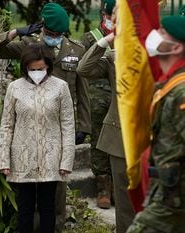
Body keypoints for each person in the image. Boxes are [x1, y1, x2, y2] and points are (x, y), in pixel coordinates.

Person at [0, 3, 89, 232]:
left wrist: (84, 125)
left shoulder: (76, 50)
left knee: (55, 196)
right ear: (43, 27)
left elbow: (82, 90)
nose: (53, 38)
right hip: (29, 132)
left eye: (58, 34)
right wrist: (15, 32)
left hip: (58, 129)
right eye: (50, 33)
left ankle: (54, 229)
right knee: (28, 200)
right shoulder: (29, 46)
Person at [0, 44, 75, 233]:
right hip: (22, 157)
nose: (37, 72)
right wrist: (4, 160)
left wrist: (67, 160)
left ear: (48, 66)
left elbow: (68, 124)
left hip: (51, 158)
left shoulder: (60, 87)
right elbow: (7, 125)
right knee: (25, 208)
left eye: (41, 69)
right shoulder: (14, 88)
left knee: (48, 207)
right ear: (25, 68)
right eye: (32, 69)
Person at [126, 15, 185, 233]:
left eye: (161, 33)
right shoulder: (168, 83)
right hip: (165, 192)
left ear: (175, 47)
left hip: (172, 200)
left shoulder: (181, 92)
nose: (153, 35)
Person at [77, 31, 135, 233]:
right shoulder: (114, 56)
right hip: (119, 138)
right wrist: (106, 41)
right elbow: (84, 69)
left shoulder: (160, 55)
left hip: (152, 137)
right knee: (124, 201)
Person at [79, 0, 115, 209]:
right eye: (111, 16)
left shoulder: (127, 37)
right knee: (99, 140)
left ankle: (118, 185)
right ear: (103, 14)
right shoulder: (90, 38)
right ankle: (103, 186)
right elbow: (81, 70)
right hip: (97, 98)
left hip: (120, 97)